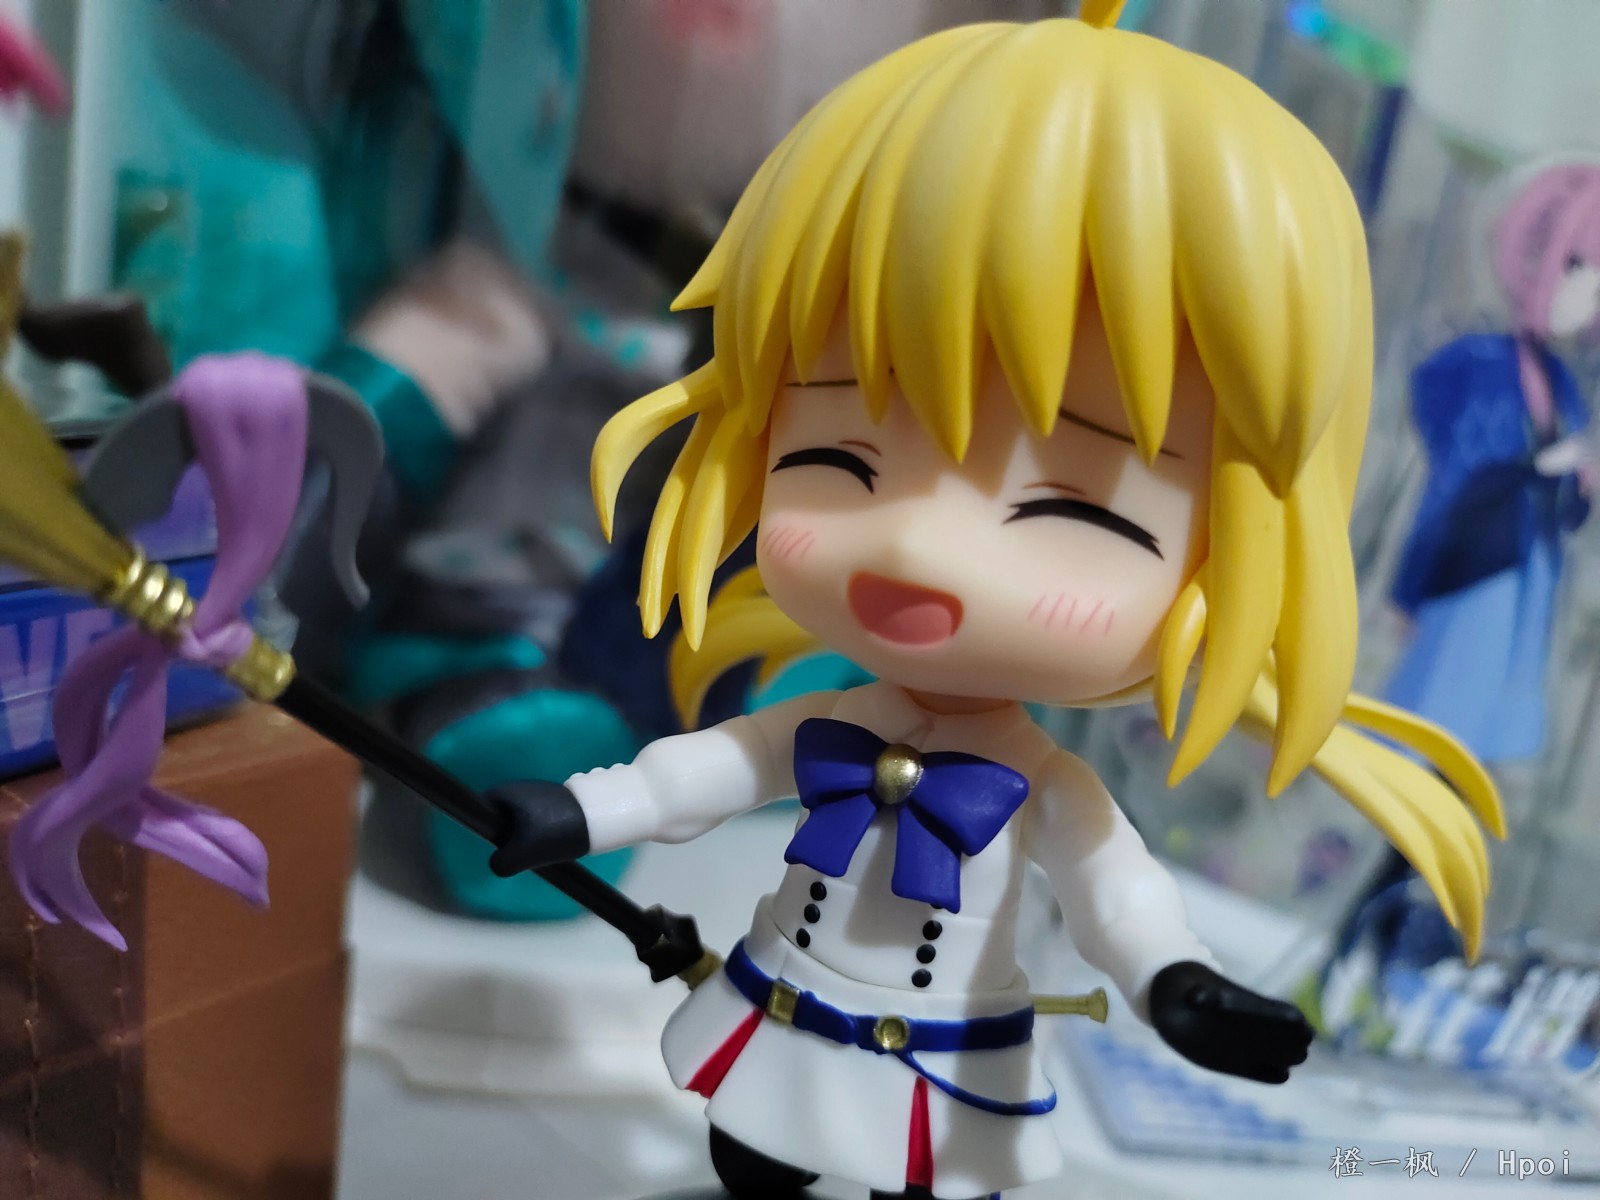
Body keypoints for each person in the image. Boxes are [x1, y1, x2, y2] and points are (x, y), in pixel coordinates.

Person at [488, 8, 1502, 1198]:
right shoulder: (825, 727)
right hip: (789, 1011)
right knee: (750, 1160)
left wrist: (1177, 985)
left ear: (1238, 546)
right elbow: (700, 774)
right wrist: (577, 810)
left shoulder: (1044, 788)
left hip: (935, 1058)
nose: (915, 543)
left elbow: (1119, 899)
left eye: (1073, 511)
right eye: (840, 460)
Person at [1385, 162, 1599, 763]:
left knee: (1481, 725)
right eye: (1579, 269)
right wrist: (1409, 587)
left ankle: (1442, 804)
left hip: (1531, 572)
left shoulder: (1564, 386)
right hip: (1478, 569)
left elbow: (1569, 510)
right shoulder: (1481, 367)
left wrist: (1577, 483)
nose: (1588, 294)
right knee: (1441, 704)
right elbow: (1457, 479)